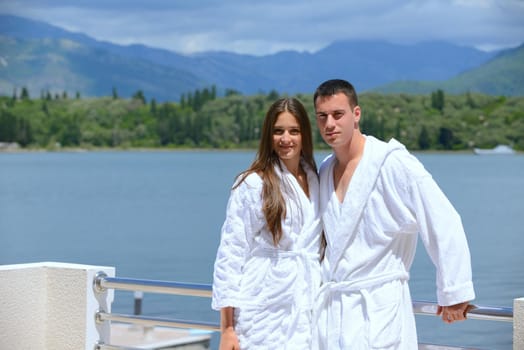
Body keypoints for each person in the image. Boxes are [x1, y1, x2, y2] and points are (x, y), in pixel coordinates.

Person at [312, 79, 475, 349]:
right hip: (332, 314)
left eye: (337, 114)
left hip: (378, 311)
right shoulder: (325, 169)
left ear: (356, 114)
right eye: (322, 116)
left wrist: (454, 292)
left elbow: (442, 219)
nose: (329, 124)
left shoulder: (392, 163)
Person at [212, 97, 323, 349]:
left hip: (307, 306)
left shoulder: (316, 180)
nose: (286, 139)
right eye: (278, 131)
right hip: (263, 308)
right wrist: (227, 328)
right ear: (268, 136)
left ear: (304, 134)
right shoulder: (252, 184)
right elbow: (231, 254)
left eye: (294, 131)